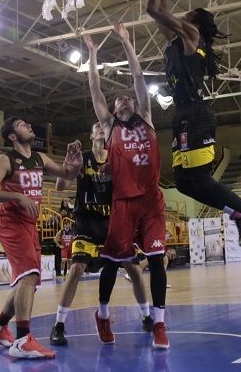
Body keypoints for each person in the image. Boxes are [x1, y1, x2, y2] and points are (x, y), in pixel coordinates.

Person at [146, 0, 241, 252]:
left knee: (199, 179)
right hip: (182, 115)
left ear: (196, 23)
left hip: (196, 113)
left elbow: (155, 10)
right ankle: (238, 214)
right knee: (183, 184)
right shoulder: (177, 42)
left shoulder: (192, 36)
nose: (184, 16)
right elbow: (160, 10)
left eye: (189, 15)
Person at [84, 23, 169, 350]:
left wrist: (127, 43)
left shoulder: (146, 116)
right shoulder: (109, 125)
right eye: (117, 100)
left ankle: (160, 324)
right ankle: (103, 314)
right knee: (112, 261)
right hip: (122, 202)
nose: (122, 99)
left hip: (151, 202)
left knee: (158, 260)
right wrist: (92, 54)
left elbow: (137, 79)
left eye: (126, 98)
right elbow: (95, 90)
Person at [0, 116, 82, 360]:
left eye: (28, 123)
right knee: (30, 277)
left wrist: (74, 160)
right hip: (12, 224)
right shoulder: (5, 159)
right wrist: (18, 196)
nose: (28, 126)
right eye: (21, 125)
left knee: (28, 282)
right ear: (12, 136)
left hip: (29, 225)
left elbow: (69, 175)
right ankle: (23, 339)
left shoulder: (39, 158)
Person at [49, 121, 153, 347]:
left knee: (134, 269)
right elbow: (60, 185)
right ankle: (58, 325)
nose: (101, 128)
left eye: (104, 126)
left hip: (114, 223)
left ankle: (146, 316)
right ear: (91, 135)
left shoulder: (119, 158)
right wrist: (68, 161)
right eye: (96, 126)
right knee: (76, 269)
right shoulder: (82, 158)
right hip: (86, 224)